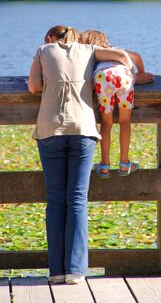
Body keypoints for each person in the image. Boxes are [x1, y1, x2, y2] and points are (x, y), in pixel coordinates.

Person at [28, 25, 133, 285]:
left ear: (51, 39)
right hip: (83, 128)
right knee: (77, 199)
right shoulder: (89, 50)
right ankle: (75, 270)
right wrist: (130, 70)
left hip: (50, 128)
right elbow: (121, 56)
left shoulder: (43, 50)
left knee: (55, 200)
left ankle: (56, 271)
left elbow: (32, 87)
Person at [79, 29, 153, 178]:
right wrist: (139, 74)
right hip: (124, 77)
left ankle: (105, 165)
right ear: (105, 41)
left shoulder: (89, 55)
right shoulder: (116, 50)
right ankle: (124, 164)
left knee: (106, 122)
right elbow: (137, 57)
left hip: (103, 77)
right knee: (125, 121)